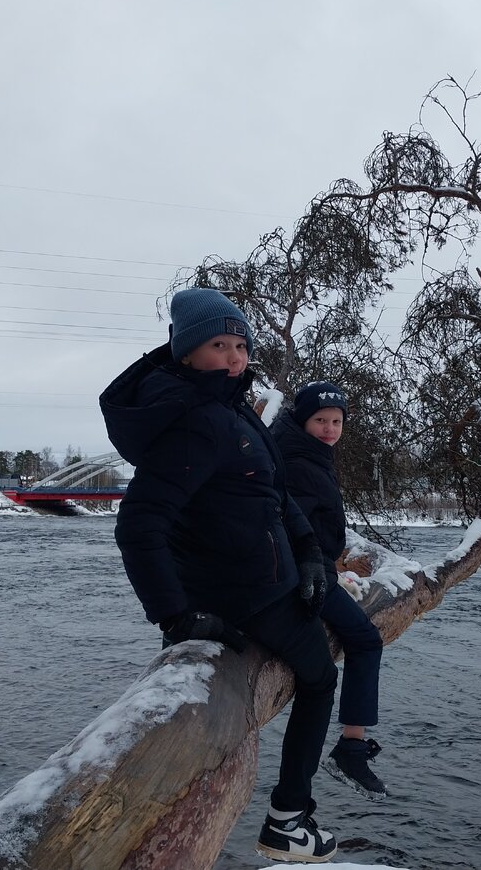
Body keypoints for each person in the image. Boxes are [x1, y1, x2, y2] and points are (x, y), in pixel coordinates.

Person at [99, 288, 340, 864]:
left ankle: (286, 813)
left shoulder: (229, 410)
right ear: (186, 354)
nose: (234, 358)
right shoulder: (199, 421)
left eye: (241, 345)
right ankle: (289, 818)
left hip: (265, 580)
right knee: (321, 680)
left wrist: (307, 552)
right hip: (244, 594)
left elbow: (274, 495)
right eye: (218, 345)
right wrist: (176, 615)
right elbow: (138, 523)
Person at [271, 381, 390, 802]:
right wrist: (319, 571)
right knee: (365, 640)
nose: (329, 428)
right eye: (320, 420)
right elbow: (289, 523)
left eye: (336, 420)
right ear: (304, 420)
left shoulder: (305, 452)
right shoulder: (298, 459)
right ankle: (351, 749)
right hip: (305, 574)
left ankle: (345, 752)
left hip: (315, 569)